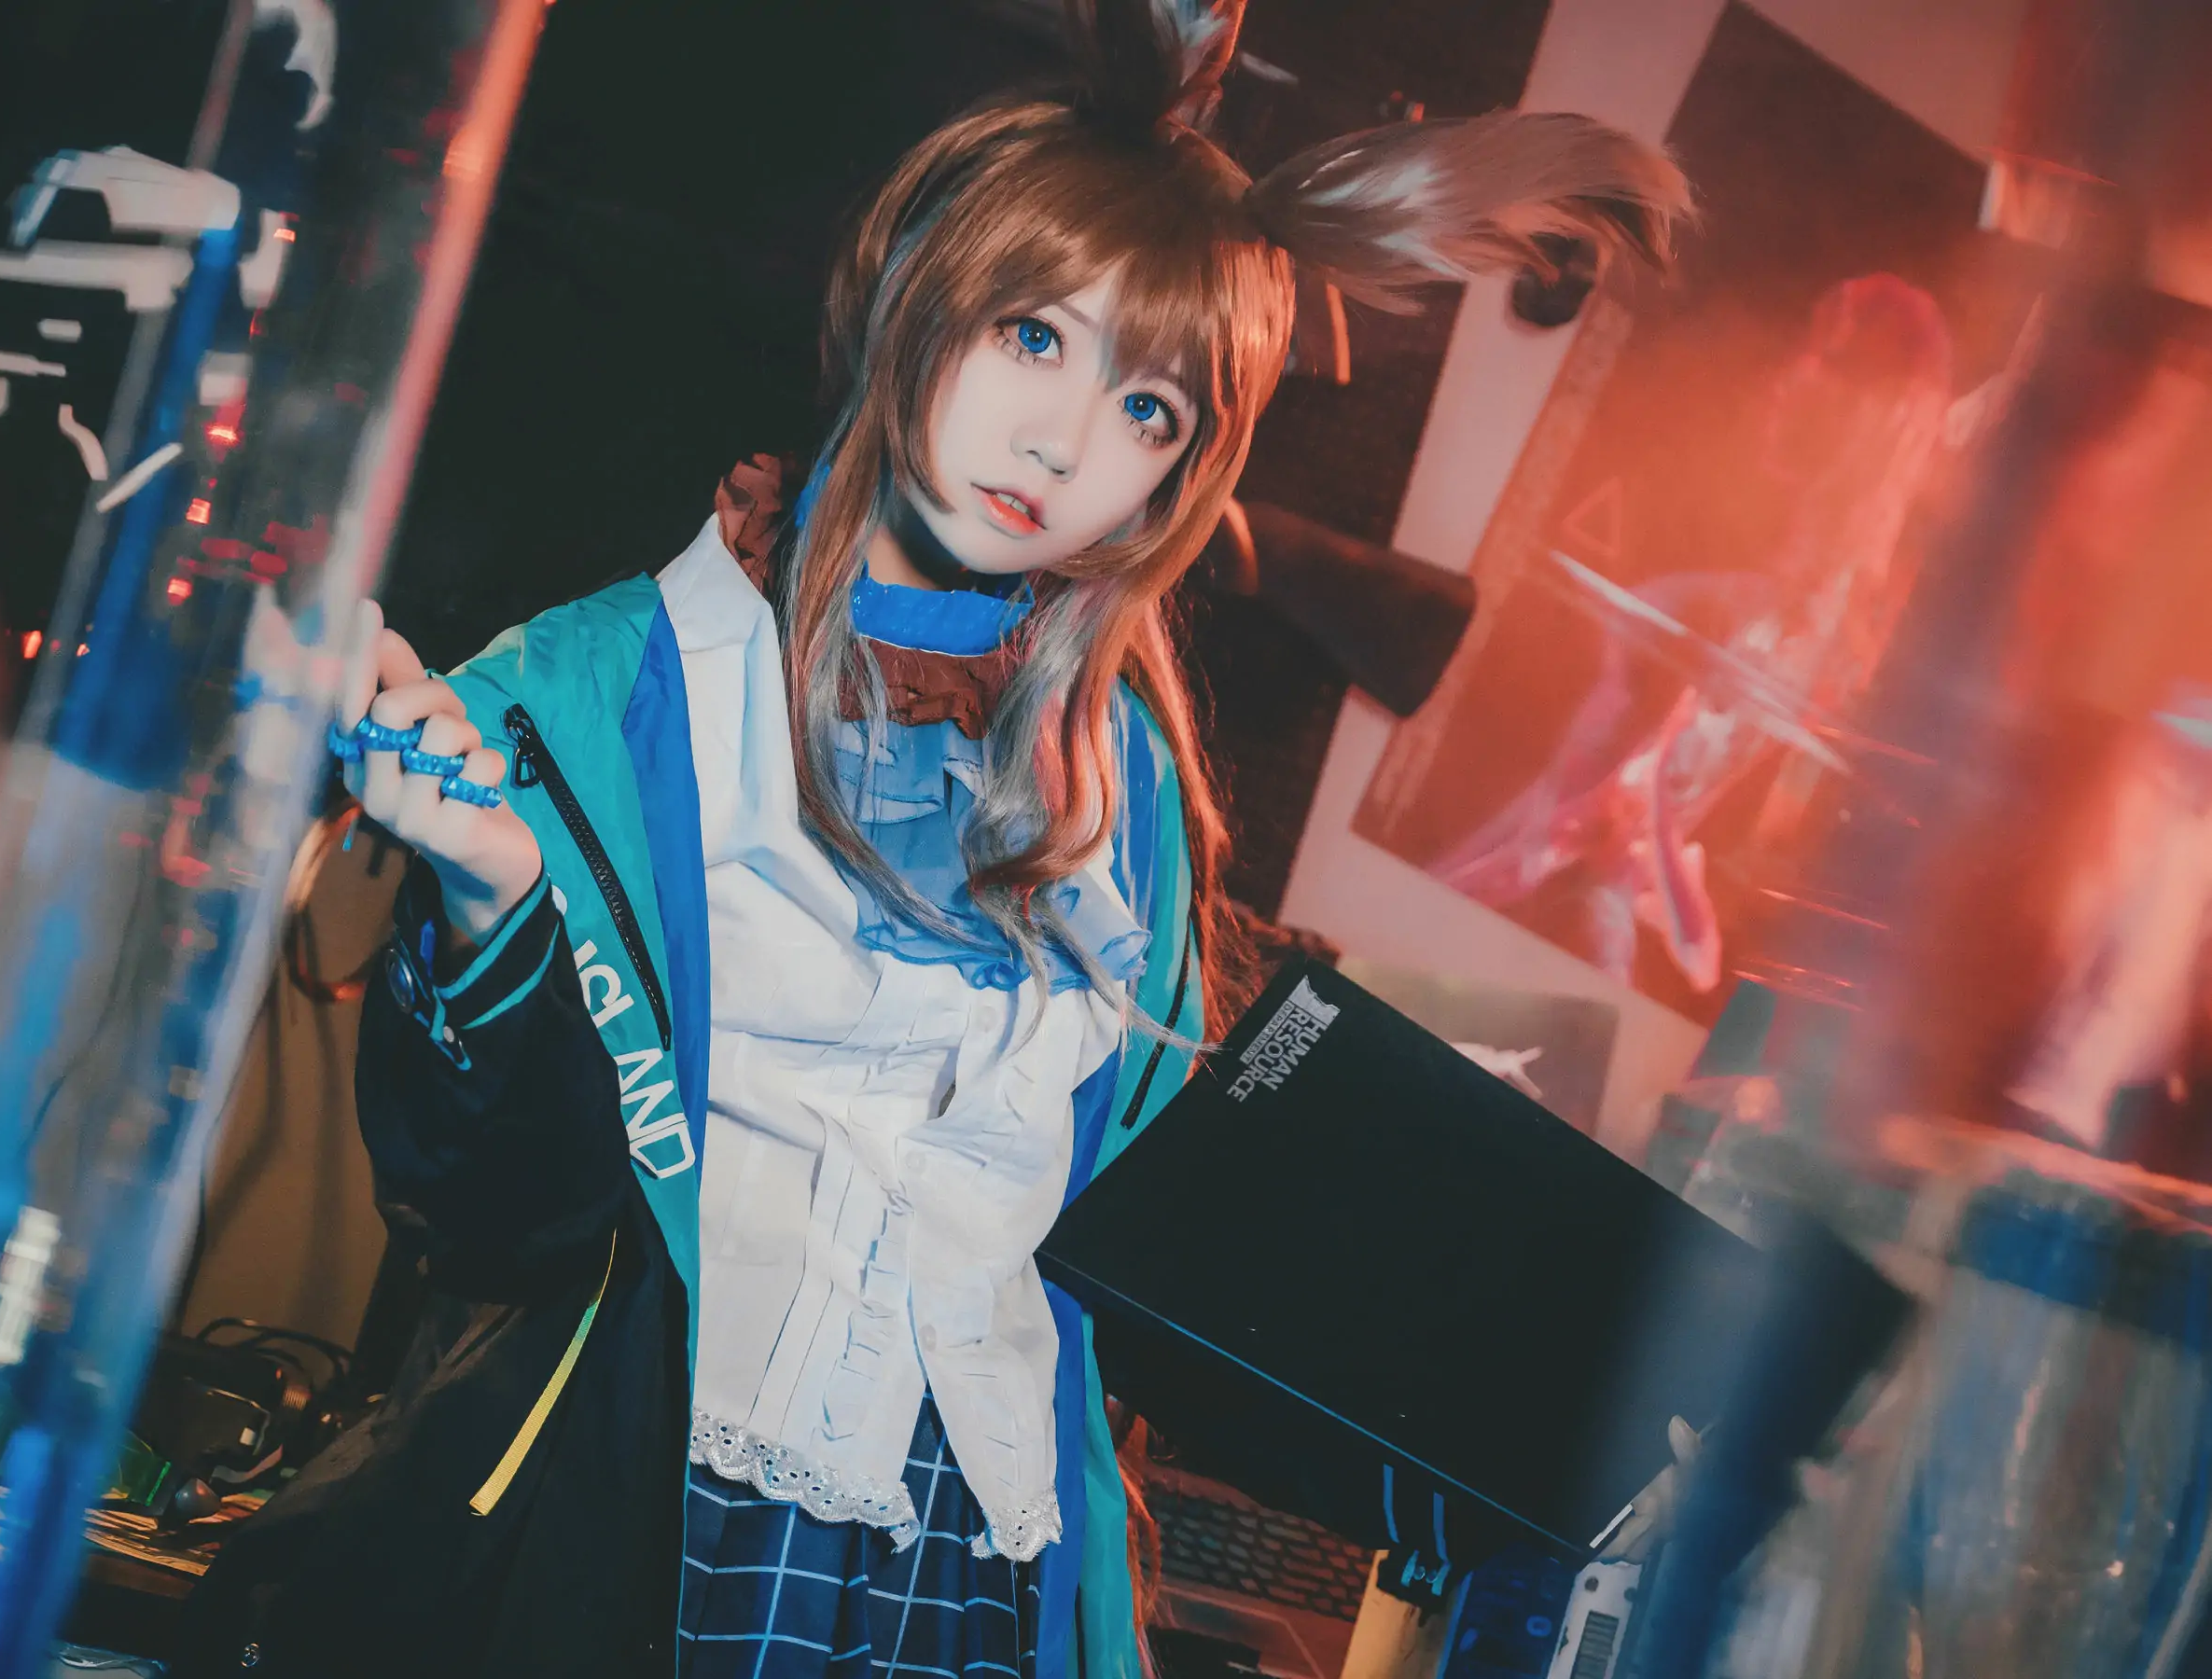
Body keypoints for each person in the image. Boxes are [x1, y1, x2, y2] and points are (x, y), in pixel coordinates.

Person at [174, 2, 1687, 1672]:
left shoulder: (1120, 781)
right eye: (1037, 337)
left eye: (1152, 410)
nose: (1066, 444)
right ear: (918, 287)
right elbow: (496, 1221)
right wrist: (490, 909)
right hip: (650, 1537)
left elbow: (1147, 1258)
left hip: (982, 1576)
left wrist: (1533, 1377)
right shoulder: (608, 686)